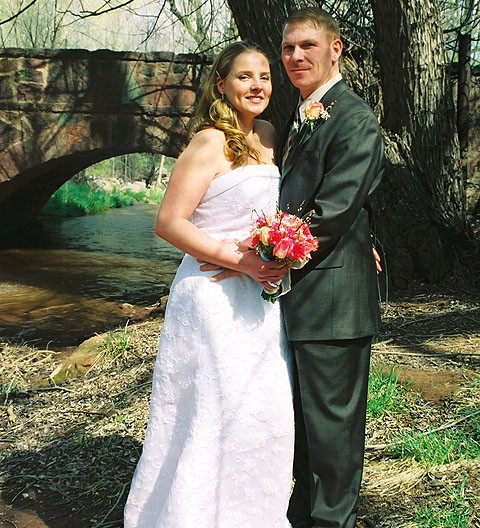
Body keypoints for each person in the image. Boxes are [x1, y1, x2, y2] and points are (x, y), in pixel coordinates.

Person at [123, 40, 294, 528]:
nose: (257, 85)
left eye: (264, 76)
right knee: (213, 411)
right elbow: (169, 222)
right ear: (221, 84)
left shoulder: (268, 135)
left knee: (262, 410)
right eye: (245, 77)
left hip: (259, 301)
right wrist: (234, 260)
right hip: (212, 295)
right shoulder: (208, 142)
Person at [278, 7, 384, 528]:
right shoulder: (302, 113)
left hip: (332, 302)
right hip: (302, 298)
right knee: (303, 429)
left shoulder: (354, 116)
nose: (296, 56)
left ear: (335, 48)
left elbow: (333, 212)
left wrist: (259, 258)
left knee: (333, 435)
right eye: (288, 48)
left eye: (308, 46)